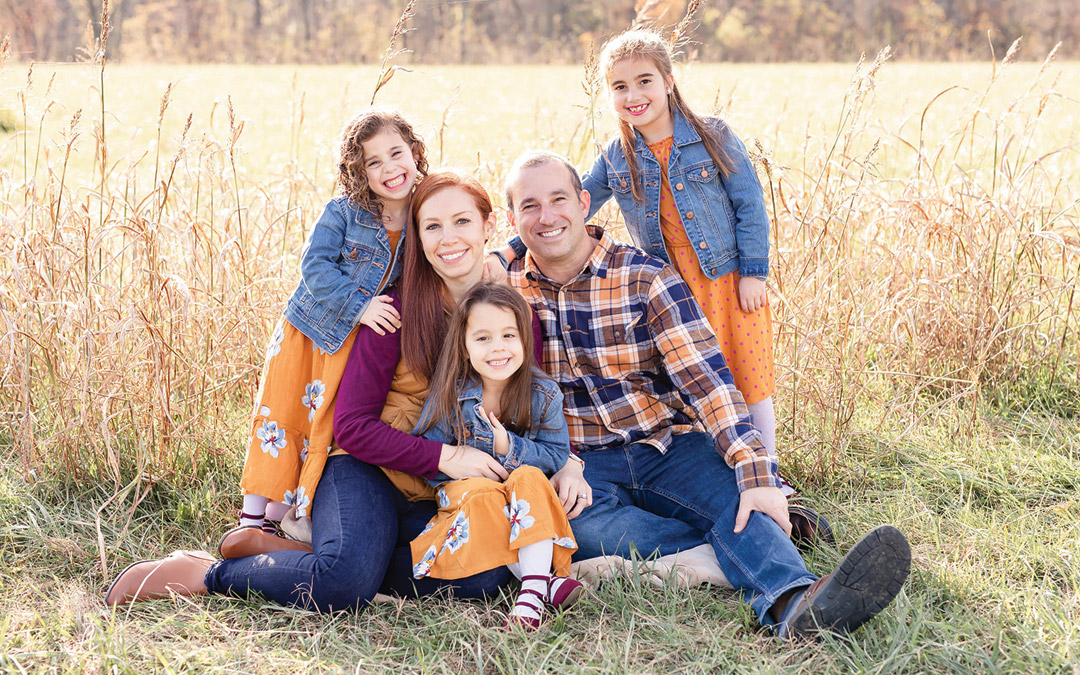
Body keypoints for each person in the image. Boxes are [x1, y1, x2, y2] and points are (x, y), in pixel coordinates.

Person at [501, 149, 911, 641]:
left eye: (558, 199)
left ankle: (795, 602)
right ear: (511, 218)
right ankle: (758, 539)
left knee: (734, 496)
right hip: (582, 465)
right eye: (529, 206)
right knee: (578, 536)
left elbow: (709, 383)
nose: (546, 216)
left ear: (585, 202)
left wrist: (758, 472)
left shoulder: (645, 277)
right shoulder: (503, 292)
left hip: (669, 446)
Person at [104, 170, 554, 611]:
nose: (449, 238)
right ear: (417, 237)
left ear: (488, 227)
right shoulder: (393, 312)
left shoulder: (517, 320)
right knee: (343, 583)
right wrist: (446, 457)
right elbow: (353, 427)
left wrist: (567, 462)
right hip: (365, 468)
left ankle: (299, 555)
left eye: (462, 222)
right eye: (432, 226)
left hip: (437, 490)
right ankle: (204, 573)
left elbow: (527, 409)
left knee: (484, 575)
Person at [491, 29, 830, 546]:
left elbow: (749, 202)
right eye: (619, 87)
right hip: (669, 285)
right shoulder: (616, 155)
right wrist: (509, 251)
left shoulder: (712, 134)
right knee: (684, 383)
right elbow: (566, 206)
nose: (633, 96)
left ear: (669, 82)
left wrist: (755, 271)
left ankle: (772, 481)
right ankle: (712, 490)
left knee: (742, 378)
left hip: (725, 279)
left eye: (644, 81)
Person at [218, 107, 427, 558]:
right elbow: (314, 268)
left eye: (396, 153)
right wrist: (360, 305)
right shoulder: (346, 212)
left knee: (324, 427)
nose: (390, 168)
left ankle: (287, 514)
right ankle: (251, 517)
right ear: (359, 172)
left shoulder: (425, 212)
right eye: (373, 162)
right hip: (310, 332)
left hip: (356, 344)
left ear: (414, 152)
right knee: (281, 418)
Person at [410, 281, 584, 630]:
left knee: (530, 476)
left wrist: (509, 448)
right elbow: (431, 460)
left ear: (524, 340)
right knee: (483, 493)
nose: (498, 348)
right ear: (464, 346)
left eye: (509, 336)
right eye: (483, 338)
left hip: (524, 495)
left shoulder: (543, 393)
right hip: (468, 498)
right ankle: (541, 585)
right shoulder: (451, 394)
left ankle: (530, 596)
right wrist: (464, 462)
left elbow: (555, 455)